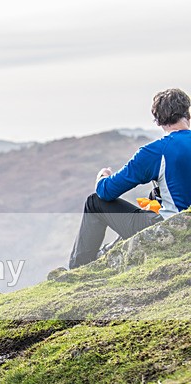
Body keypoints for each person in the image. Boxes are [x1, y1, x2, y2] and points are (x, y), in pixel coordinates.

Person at [68, 88, 191, 268]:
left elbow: (107, 192)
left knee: (94, 202)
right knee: (153, 195)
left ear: (157, 121)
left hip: (171, 225)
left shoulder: (155, 152)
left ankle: (79, 268)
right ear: (187, 113)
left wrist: (102, 177)